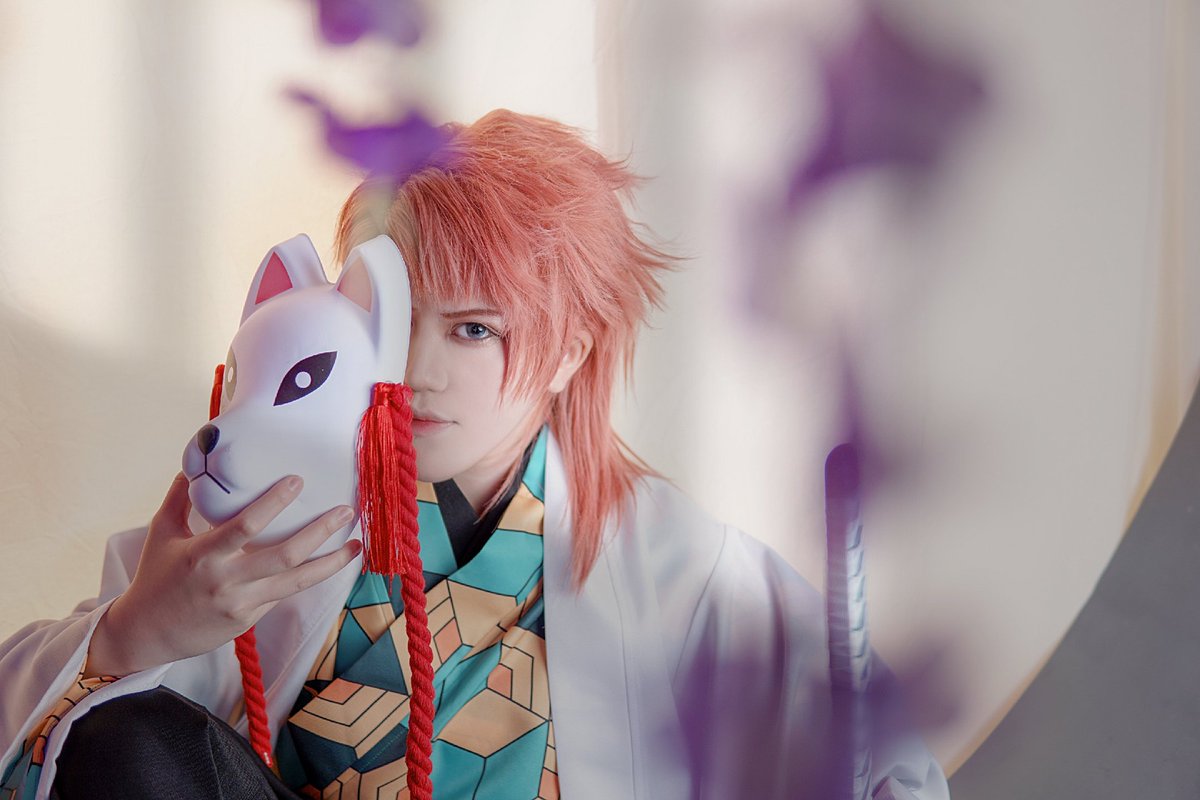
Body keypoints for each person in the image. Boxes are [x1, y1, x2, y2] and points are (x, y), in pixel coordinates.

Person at [0, 110, 949, 799]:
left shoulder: (672, 562)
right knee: (131, 737)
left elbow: (892, 759)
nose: (418, 371)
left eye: (474, 330)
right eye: (400, 320)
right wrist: (136, 633)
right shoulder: (273, 504)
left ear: (569, 351)